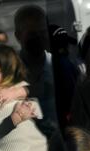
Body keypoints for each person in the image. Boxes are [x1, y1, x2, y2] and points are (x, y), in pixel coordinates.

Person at [14, 4, 57, 137]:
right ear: (18, 36)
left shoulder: (57, 66)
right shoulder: (10, 71)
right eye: (32, 34)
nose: (38, 38)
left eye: (42, 32)